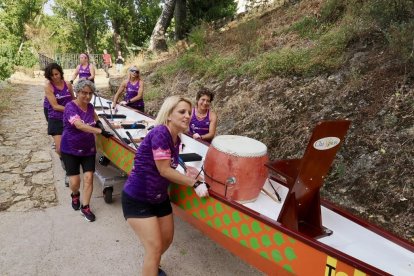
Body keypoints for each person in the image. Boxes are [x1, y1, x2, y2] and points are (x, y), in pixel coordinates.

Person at [122, 95, 209, 276]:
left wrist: (187, 170)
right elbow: (164, 170)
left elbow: (169, 163)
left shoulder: (177, 138)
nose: (187, 116)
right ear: (169, 115)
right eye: (182, 112)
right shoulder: (160, 133)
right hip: (138, 198)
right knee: (154, 249)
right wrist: (195, 183)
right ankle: (151, 264)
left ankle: (152, 265)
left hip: (159, 197)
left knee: (167, 240)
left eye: (189, 112)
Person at [61, 79, 113, 222]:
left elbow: (96, 119)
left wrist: (101, 126)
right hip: (70, 149)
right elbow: (79, 125)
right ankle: (75, 194)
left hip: (88, 149)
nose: (87, 96)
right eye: (84, 93)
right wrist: (98, 131)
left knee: (89, 178)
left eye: (90, 93)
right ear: (77, 92)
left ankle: (85, 207)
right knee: (75, 182)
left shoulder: (89, 107)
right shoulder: (70, 107)